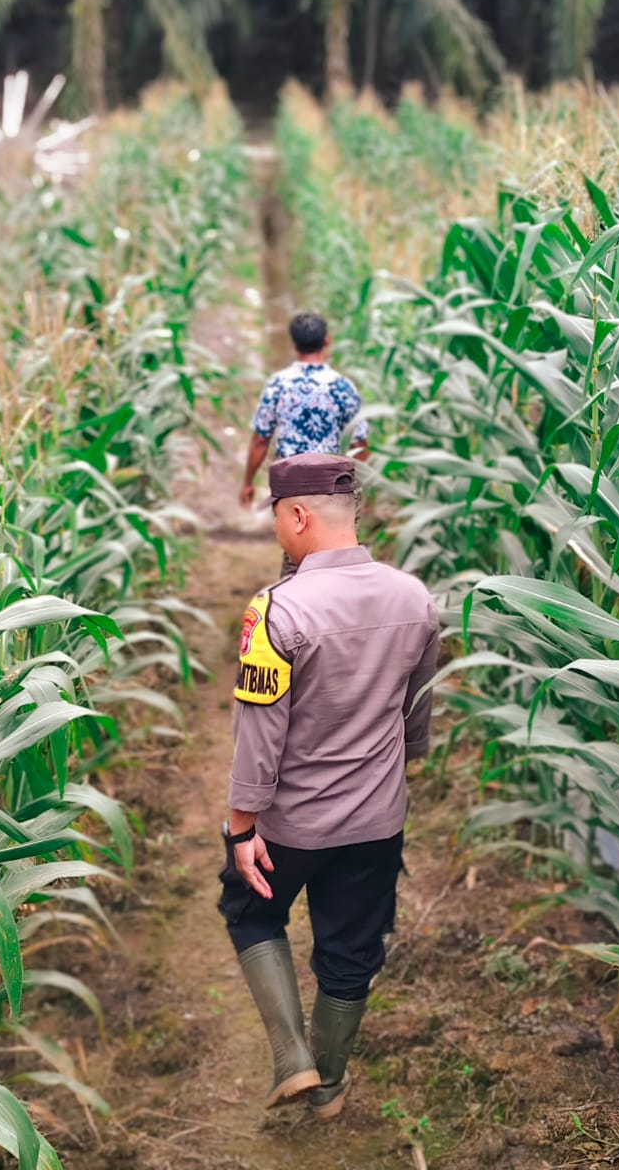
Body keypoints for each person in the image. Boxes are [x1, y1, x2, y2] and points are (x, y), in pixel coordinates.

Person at [219, 452, 440, 1120]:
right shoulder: (416, 598)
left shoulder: (277, 610)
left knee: (251, 909)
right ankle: (333, 1083)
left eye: (278, 521)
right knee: (351, 948)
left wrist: (241, 828)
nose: (278, 534)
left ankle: (293, 1059)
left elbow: (259, 735)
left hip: (292, 823)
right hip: (376, 819)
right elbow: (416, 715)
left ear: (299, 515)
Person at [239, 311, 370, 511]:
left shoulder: (278, 384)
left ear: (294, 344)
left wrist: (248, 482)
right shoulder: (343, 387)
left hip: (289, 482)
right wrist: (363, 490)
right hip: (329, 483)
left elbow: (260, 439)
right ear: (328, 340)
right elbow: (359, 443)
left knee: (294, 538)